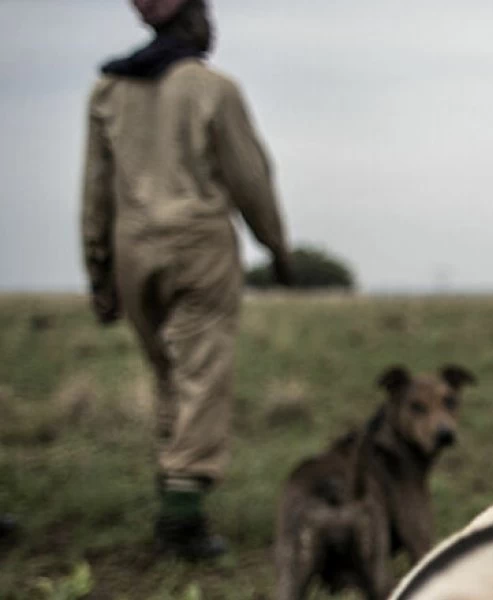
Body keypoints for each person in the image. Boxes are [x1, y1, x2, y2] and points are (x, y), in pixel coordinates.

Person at [81, 0, 291, 560]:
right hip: (198, 244)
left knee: (167, 375)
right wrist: (276, 246)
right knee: (201, 375)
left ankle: (171, 487)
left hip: (133, 250)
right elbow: (251, 178)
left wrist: (99, 270)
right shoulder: (212, 88)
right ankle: (182, 517)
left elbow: (95, 191)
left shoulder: (109, 90)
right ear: (192, 18)